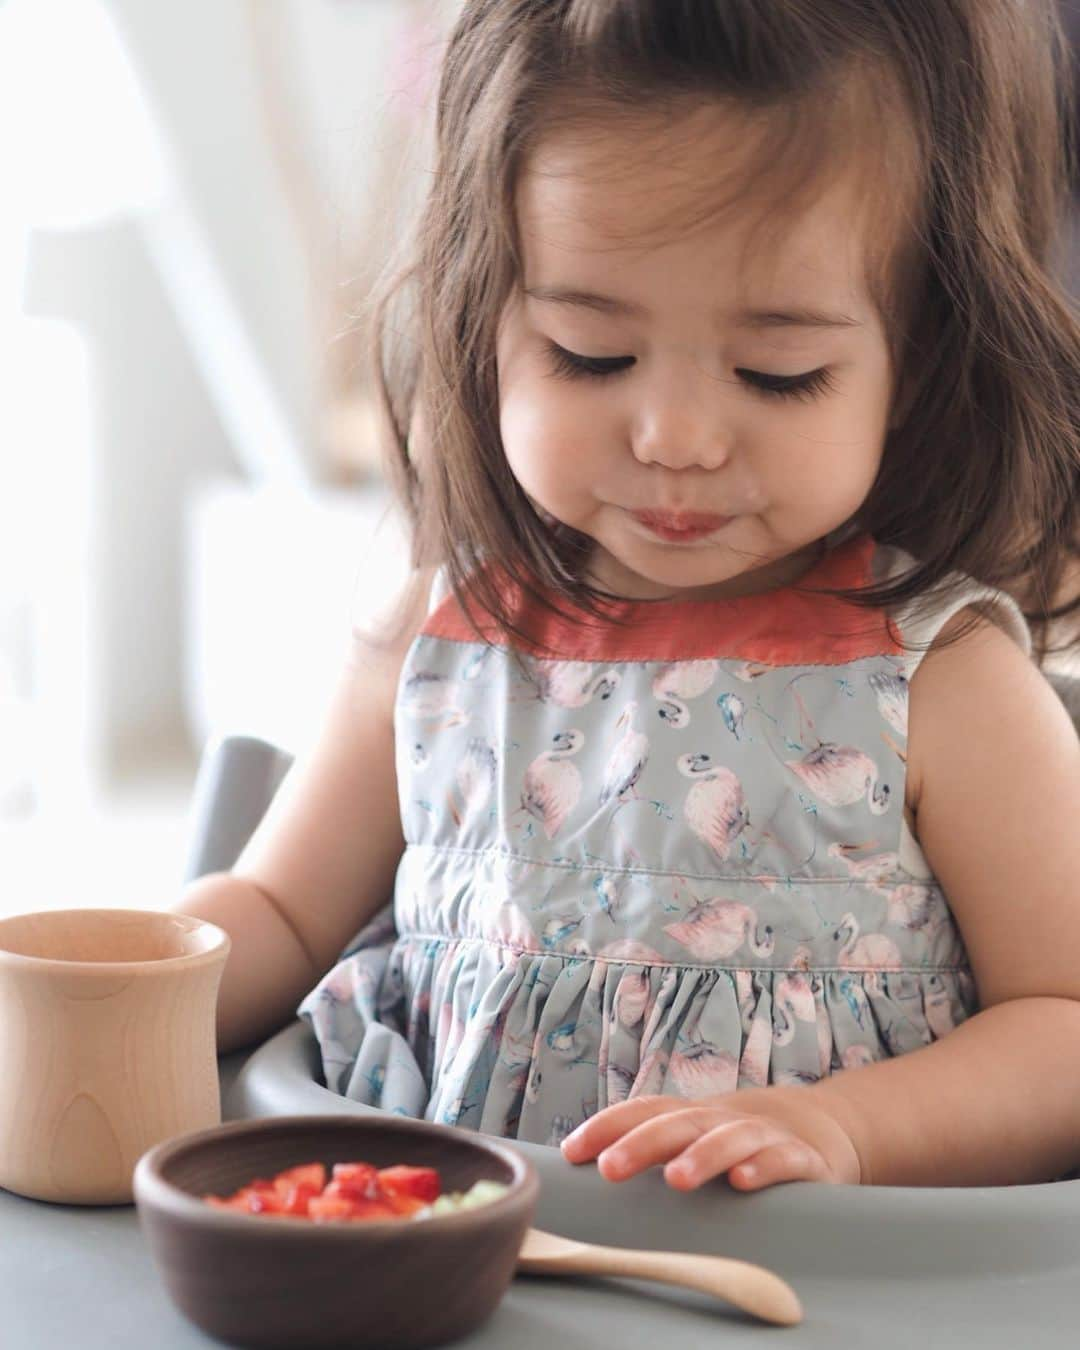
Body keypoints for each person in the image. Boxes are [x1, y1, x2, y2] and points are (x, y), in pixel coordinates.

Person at [173, 0, 1080, 1193]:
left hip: (811, 1291)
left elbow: (1061, 1024)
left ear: (916, 365)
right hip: (452, 1275)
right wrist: (132, 969)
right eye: (591, 355)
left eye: (779, 373)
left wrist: (846, 1129)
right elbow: (282, 917)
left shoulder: (949, 688)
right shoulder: (438, 643)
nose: (676, 437)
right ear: (485, 311)